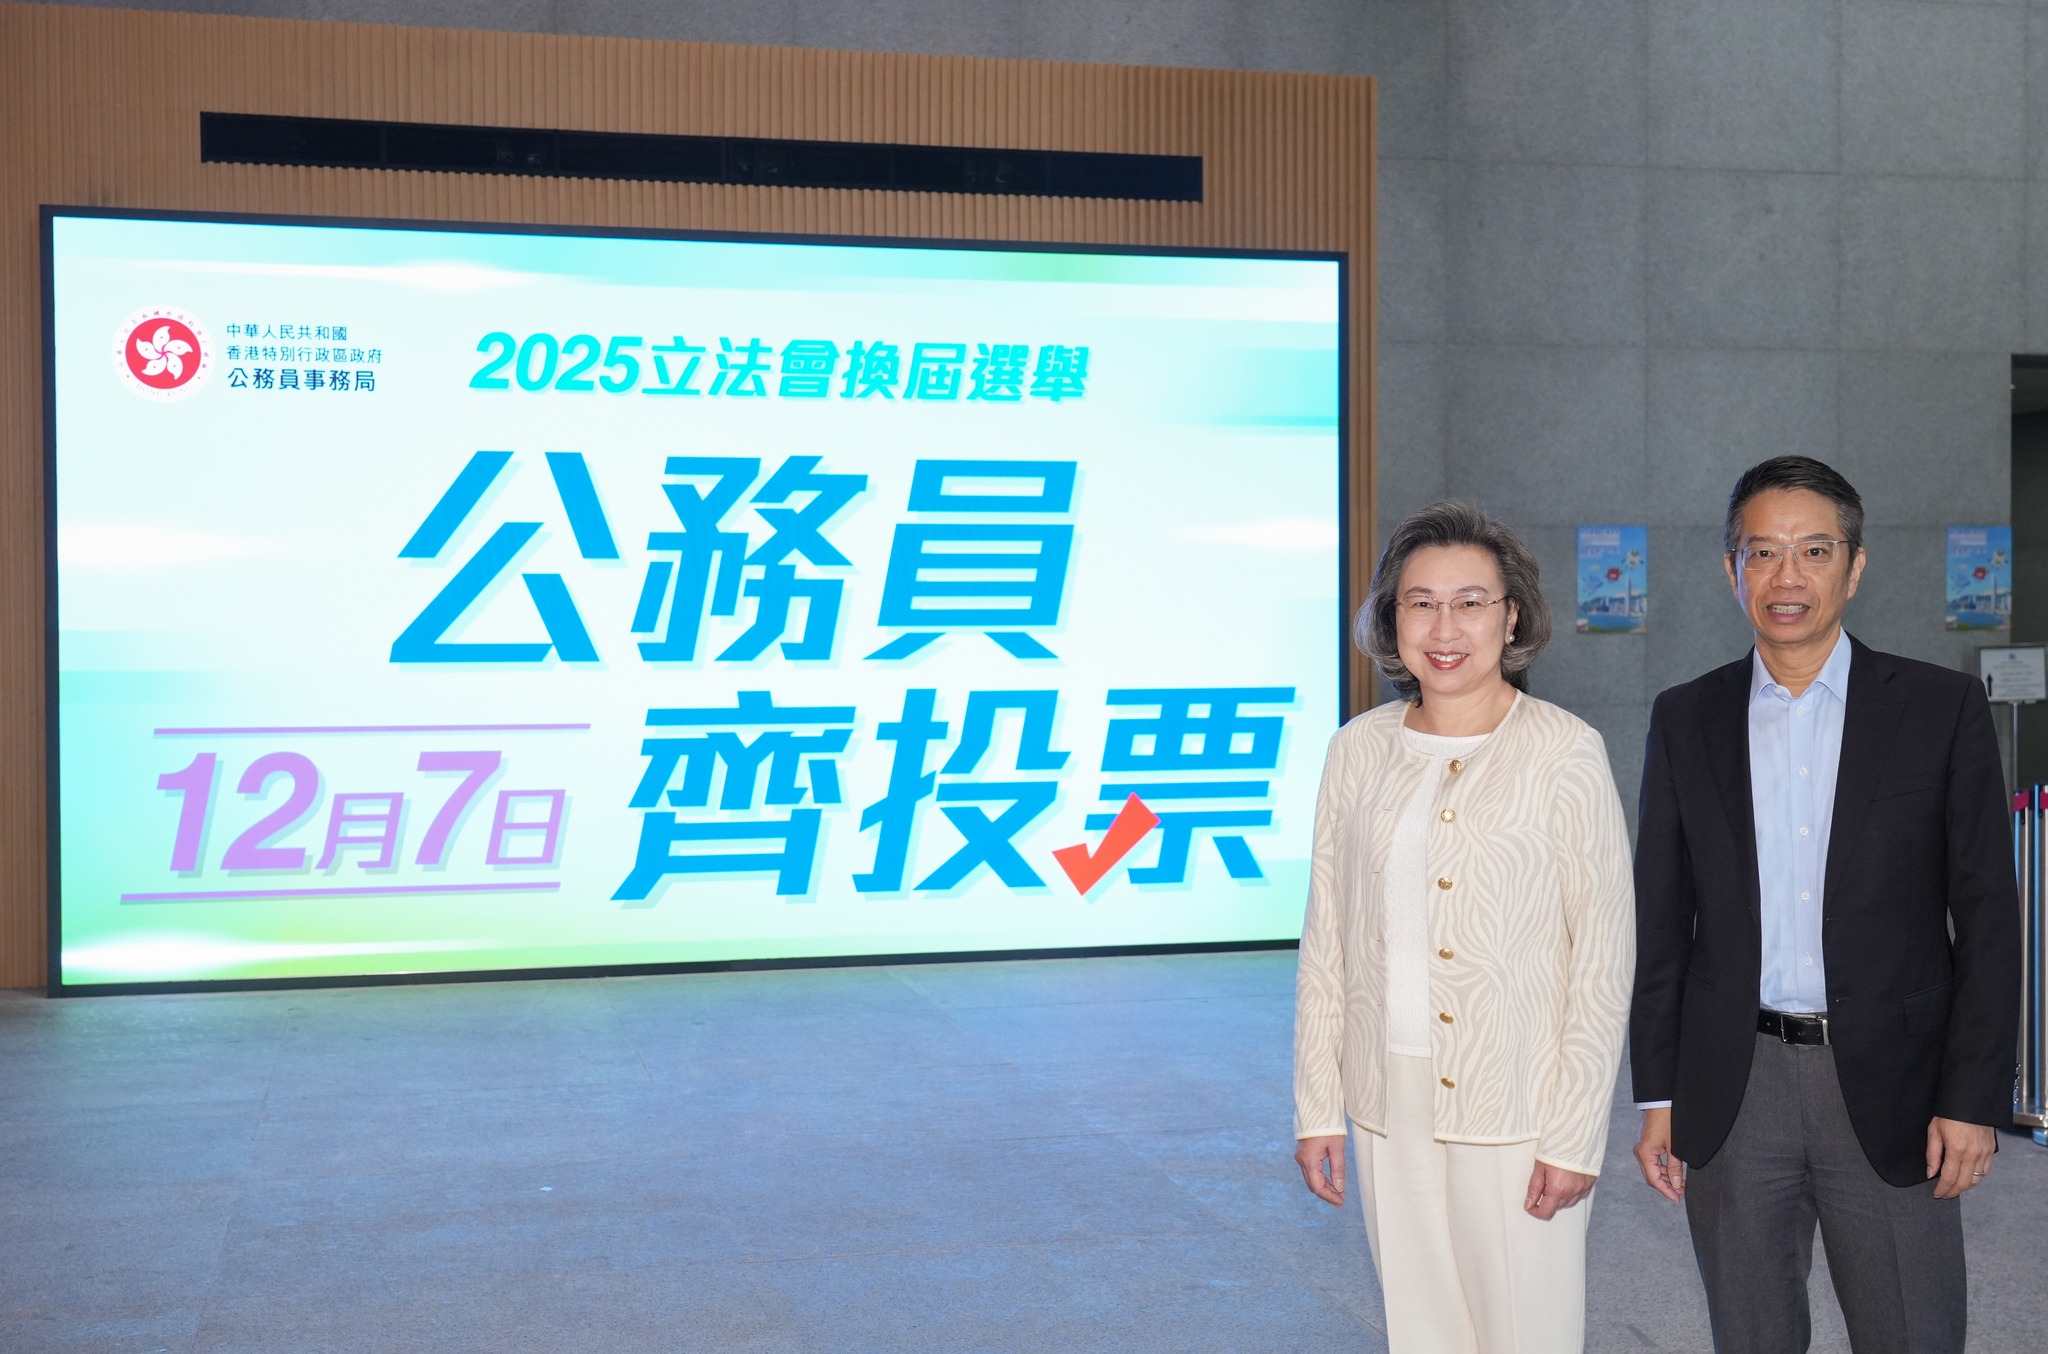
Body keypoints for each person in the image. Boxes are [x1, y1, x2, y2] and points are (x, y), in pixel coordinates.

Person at [1630, 455, 2021, 1354]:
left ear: (1854, 566)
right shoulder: (1685, 718)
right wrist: (1659, 1094)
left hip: (1896, 1080)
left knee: (1912, 1332)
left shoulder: (1940, 708)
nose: (1787, 576)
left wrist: (1972, 1098)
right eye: (1761, 552)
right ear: (1732, 570)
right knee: (1751, 1336)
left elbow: (1988, 921)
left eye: (1814, 550)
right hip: (1737, 1084)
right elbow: (1663, 925)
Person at [1292, 500, 1636, 1353]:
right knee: (1422, 1332)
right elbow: (1327, 941)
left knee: (1528, 1331)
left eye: (1471, 603)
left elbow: (1602, 954)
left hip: (1518, 1102)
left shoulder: (1565, 750)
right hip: (1386, 1098)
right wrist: (1317, 1106)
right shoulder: (1356, 750)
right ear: (1392, 618)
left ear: (1511, 617)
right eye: (1421, 603)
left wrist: (1574, 1135)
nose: (1445, 628)